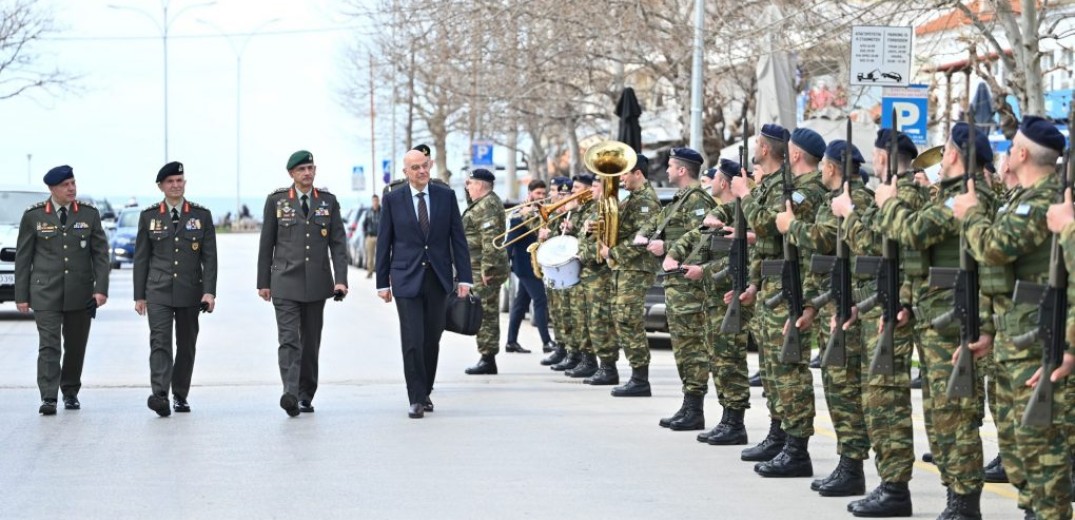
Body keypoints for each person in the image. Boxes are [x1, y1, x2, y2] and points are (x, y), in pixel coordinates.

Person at [875, 122, 997, 518]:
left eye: (944, 151)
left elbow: (912, 233)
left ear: (957, 154)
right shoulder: (950, 195)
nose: (940, 158)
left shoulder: (963, 196)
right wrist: (908, 302)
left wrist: (888, 202)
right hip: (936, 316)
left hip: (955, 319)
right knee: (941, 414)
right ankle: (955, 497)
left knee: (955, 416)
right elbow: (923, 261)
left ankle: (964, 503)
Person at [954, 115, 1069, 520]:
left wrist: (969, 213)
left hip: (1037, 342)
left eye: (1010, 147)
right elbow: (998, 276)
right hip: (1010, 340)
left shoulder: (1045, 201)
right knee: (1019, 452)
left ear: (1021, 153)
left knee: (1043, 457)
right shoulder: (1021, 198)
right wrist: (987, 329)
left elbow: (994, 250)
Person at [730, 124, 828, 477]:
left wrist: (744, 193)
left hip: (793, 286)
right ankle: (779, 434)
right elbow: (767, 246)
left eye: (758, 143)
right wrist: (755, 283)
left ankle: (797, 448)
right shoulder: (781, 186)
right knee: (773, 370)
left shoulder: (805, 191)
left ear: (794, 153)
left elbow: (767, 225)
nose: (756, 148)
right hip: (773, 285)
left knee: (790, 371)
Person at [777, 137, 871, 496]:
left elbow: (823, 240)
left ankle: (852, 468)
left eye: (823, 167)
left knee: (845, 388)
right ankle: (848, 465)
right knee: (837, 385)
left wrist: (790, 226)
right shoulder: (842, 200)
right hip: (834, 299)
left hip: (850, 305)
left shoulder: (853, 201)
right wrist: (812, 303)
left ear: (831, 167)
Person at [835, 129, 921, 516]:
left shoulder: (905, 194)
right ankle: (889, 484)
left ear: (885, 157)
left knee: (886, 401)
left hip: (895, 309)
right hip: (879, 303)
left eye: (875, 153)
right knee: (877, 397)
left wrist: (849, 214)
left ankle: (895, 489)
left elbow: (871, 241)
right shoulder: (893, 192)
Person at [376, 149, 472, 418]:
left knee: (432, 338)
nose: (421, 171)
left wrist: (464, 277)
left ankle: (426, 389)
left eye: (425, 166)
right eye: (415, 167)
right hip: (406, 279)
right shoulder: (393, 200)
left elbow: (458, 239)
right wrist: (382, 282)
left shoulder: (446, 196)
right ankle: (416, 397)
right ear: (405, 172)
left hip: (438, 278)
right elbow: (384, 243)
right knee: (412, 339)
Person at [668, 158, 756, 446]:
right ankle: (727, 418)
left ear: (725, 183)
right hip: (715, 299)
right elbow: (696, 236)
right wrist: (674, 253)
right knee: (719, 358)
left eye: (716, 177)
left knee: (729, 359)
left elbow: (742, 259)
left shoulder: (744, 213)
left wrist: (702, 271)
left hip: (732, 295)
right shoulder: (722, 212)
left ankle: (735, 422)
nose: (712, 181)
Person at [257, 150, 349, 417]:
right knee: (289, 340)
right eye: (301, 170)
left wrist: (340, 280)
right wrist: (263, 281)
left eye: (310, 168)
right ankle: (290, 392)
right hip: (284, 281)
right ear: (291, 174)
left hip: (318, 283)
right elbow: (267, 243)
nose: (307, 173)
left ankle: (306, 395)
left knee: (310, 343)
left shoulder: (328, 202)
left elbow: (338, 243)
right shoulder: (276, 201)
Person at [14, 165, 110, 415]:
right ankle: (48, 396)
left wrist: (101, 289)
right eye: (65, 185)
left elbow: (100, 254)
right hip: (45, 293)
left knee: (76, 345)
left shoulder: (89, 214)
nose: (71, 189)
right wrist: (21, 296)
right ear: (52, 189)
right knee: (49, 345)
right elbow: (24, 258)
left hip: (80, 293)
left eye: (73, 183)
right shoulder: (34, 216)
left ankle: (70, 391)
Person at [638, 147, 716, 426]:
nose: (667, 170)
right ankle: (688, 404)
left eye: (671, 166)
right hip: (676, 285)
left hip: (689, 287)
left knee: (692, 348)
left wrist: (666, 247)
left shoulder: (698, 201)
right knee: (682, 348)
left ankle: (695, 409)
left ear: (682, 170)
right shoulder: (680, 200)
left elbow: (704, 241)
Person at [133, 161, 218, 416]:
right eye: (170, 182)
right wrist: (139, 295)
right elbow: (141, 258)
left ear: (185, 183)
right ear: (161, 186)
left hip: (190, 290)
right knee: (160, 342)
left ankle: (180, 394)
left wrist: (209, 291)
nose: (175, 185)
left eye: (179, 181)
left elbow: (210, 257)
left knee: (186, 344)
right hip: (157, 290)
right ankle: (160, 395)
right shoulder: (149, 216)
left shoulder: (201, 216)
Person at [592, 155, 660, 391]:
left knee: (629, 320)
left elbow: (641, 240)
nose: (621, 178)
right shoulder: (631, 200)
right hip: (625, 268)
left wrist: (613, 252)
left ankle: (640, 379)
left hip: (636, 267)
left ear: (638, 174)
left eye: (624, 174)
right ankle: (636, 376)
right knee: (622, 319)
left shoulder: (646, 202)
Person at [461, 169, 509, 374]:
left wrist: (488, 269)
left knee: (486, 313)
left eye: (470, 184)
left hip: (484, 270)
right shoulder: (482, 203)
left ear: (480, 185)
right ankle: (486, 356)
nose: (468, 187)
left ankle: (488, 358)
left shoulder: (489, 205)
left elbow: (491, 240)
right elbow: (472, 213)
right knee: (483, 311)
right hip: (477, 267)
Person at [504, 179, 553, 355]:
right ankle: (547, 342)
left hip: (537, 263)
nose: (541, 196)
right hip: (525, 265)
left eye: (543, 193)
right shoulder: (520, 212)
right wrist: (505, 264)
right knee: (540, 300)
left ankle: (511, 342)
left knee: (520, 303)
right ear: (529, 193)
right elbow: (510, 240)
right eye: (537, 193)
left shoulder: (543, 211)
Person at [363, 194, 381, 279]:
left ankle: (380, 273)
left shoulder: (383, 211)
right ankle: (370, 272)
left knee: (381, 256)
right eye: (374, 201)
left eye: (376, 201)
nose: (375, 202)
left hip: (380, 237)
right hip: (370, 236)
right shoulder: (368, 212)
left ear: (378, 201)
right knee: (370, 256)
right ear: (372, 201)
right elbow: (364, 224)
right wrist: (366, 235)